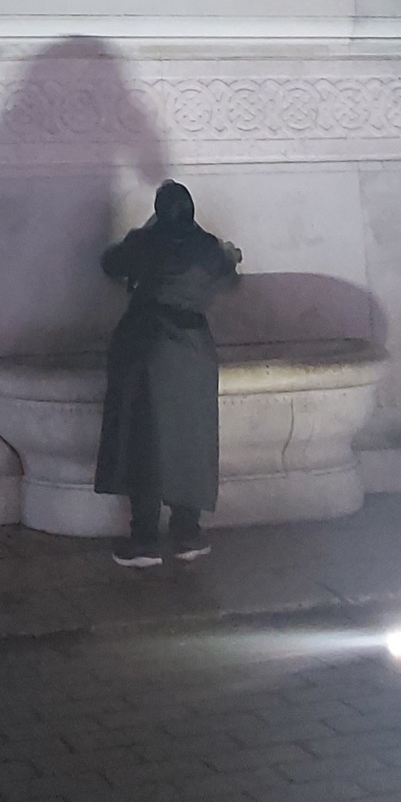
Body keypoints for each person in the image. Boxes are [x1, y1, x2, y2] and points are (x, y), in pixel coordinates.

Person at [95, 180, 240, 567]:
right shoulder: (207, 247)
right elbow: (230, 278)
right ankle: (187, 532)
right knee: (189, 439)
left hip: (147, 345)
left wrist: (142, 233)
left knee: (142, 439)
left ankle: (144, 539)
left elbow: (111, 263)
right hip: (193, 350)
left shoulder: (146, 242)